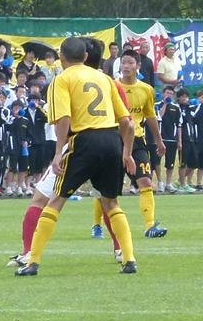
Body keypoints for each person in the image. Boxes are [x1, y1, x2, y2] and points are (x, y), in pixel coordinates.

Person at [15, 37, 138, 276]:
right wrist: (127, 153)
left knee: (55, 200)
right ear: (85, 57)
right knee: (111, 202)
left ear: (61, 57)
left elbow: (64, 119)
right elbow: (128, 123)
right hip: (111, 140)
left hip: (84, 140)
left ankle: (32, 261)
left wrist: (57, 153)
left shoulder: (62, 79)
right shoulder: (106, 79)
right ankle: (129, 258)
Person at [113, 49, 168, 237]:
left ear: (138, 66)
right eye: (123, 62)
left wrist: (159, 140)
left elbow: (150, 116)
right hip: (114, 139)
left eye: (130, 63)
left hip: (137, 140)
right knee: (108, 186)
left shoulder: (146, 89)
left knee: (145, 181)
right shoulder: (112, 86)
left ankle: (150, 226)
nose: (126, 66)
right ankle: (97, 225)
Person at [157, 85, 181, 192]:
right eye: (167, 93)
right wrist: (165, 104)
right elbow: (159, 117)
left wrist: (179, 141)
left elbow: (179, 125)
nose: (169, 95)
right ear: (163, 93)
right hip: (160, 139)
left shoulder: (176, 108)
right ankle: (160, 182)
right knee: (157, 162)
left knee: (170, 163)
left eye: (171, 94)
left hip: (172, 139)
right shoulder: (157, 105)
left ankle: (168, 183)